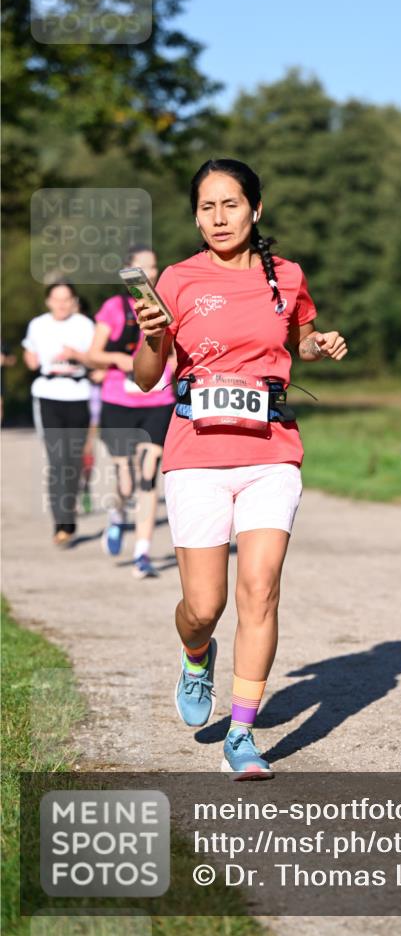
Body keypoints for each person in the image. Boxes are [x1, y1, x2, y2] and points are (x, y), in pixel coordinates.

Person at [131, 158, 347, 779]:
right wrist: (153, 337)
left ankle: (242, 735)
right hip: (196, 455)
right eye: (207, 207)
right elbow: (145, 378)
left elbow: (300, 339)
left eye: (231, 204)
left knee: (261, 589)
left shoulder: (288, 275)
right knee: (204, 605)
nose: (220, 218)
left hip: (271, 452)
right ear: (196, 217)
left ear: (256, 208)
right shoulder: (177, 280)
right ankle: (196, 652)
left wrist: (321, 344)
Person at [73, 246, 176, 578]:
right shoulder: (115, 308)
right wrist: (120, 360)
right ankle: (117, 516)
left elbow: (176, 351)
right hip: (119, 402)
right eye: (142, 266)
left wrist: (172, 369)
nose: (150, 272)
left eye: (154, 266)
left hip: (157, 401)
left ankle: (142, 552)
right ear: (128, 271)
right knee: (127, 482)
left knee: (148, 475)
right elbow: (93, 354)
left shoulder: (168, 304)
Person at [21, 281, 95, 547]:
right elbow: (29, 353)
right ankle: (60, 523)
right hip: (48, 395)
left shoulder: (85, 325)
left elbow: (96, 359)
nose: (62, 305)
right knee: (56, 460)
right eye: (57, 299)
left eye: (67, 299)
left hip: (78, 395)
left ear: (74, 301)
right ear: (48, 301)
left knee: (73, 461)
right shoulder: (38, 324)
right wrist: (29, 358)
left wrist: (77, 355)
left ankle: (69, 514)